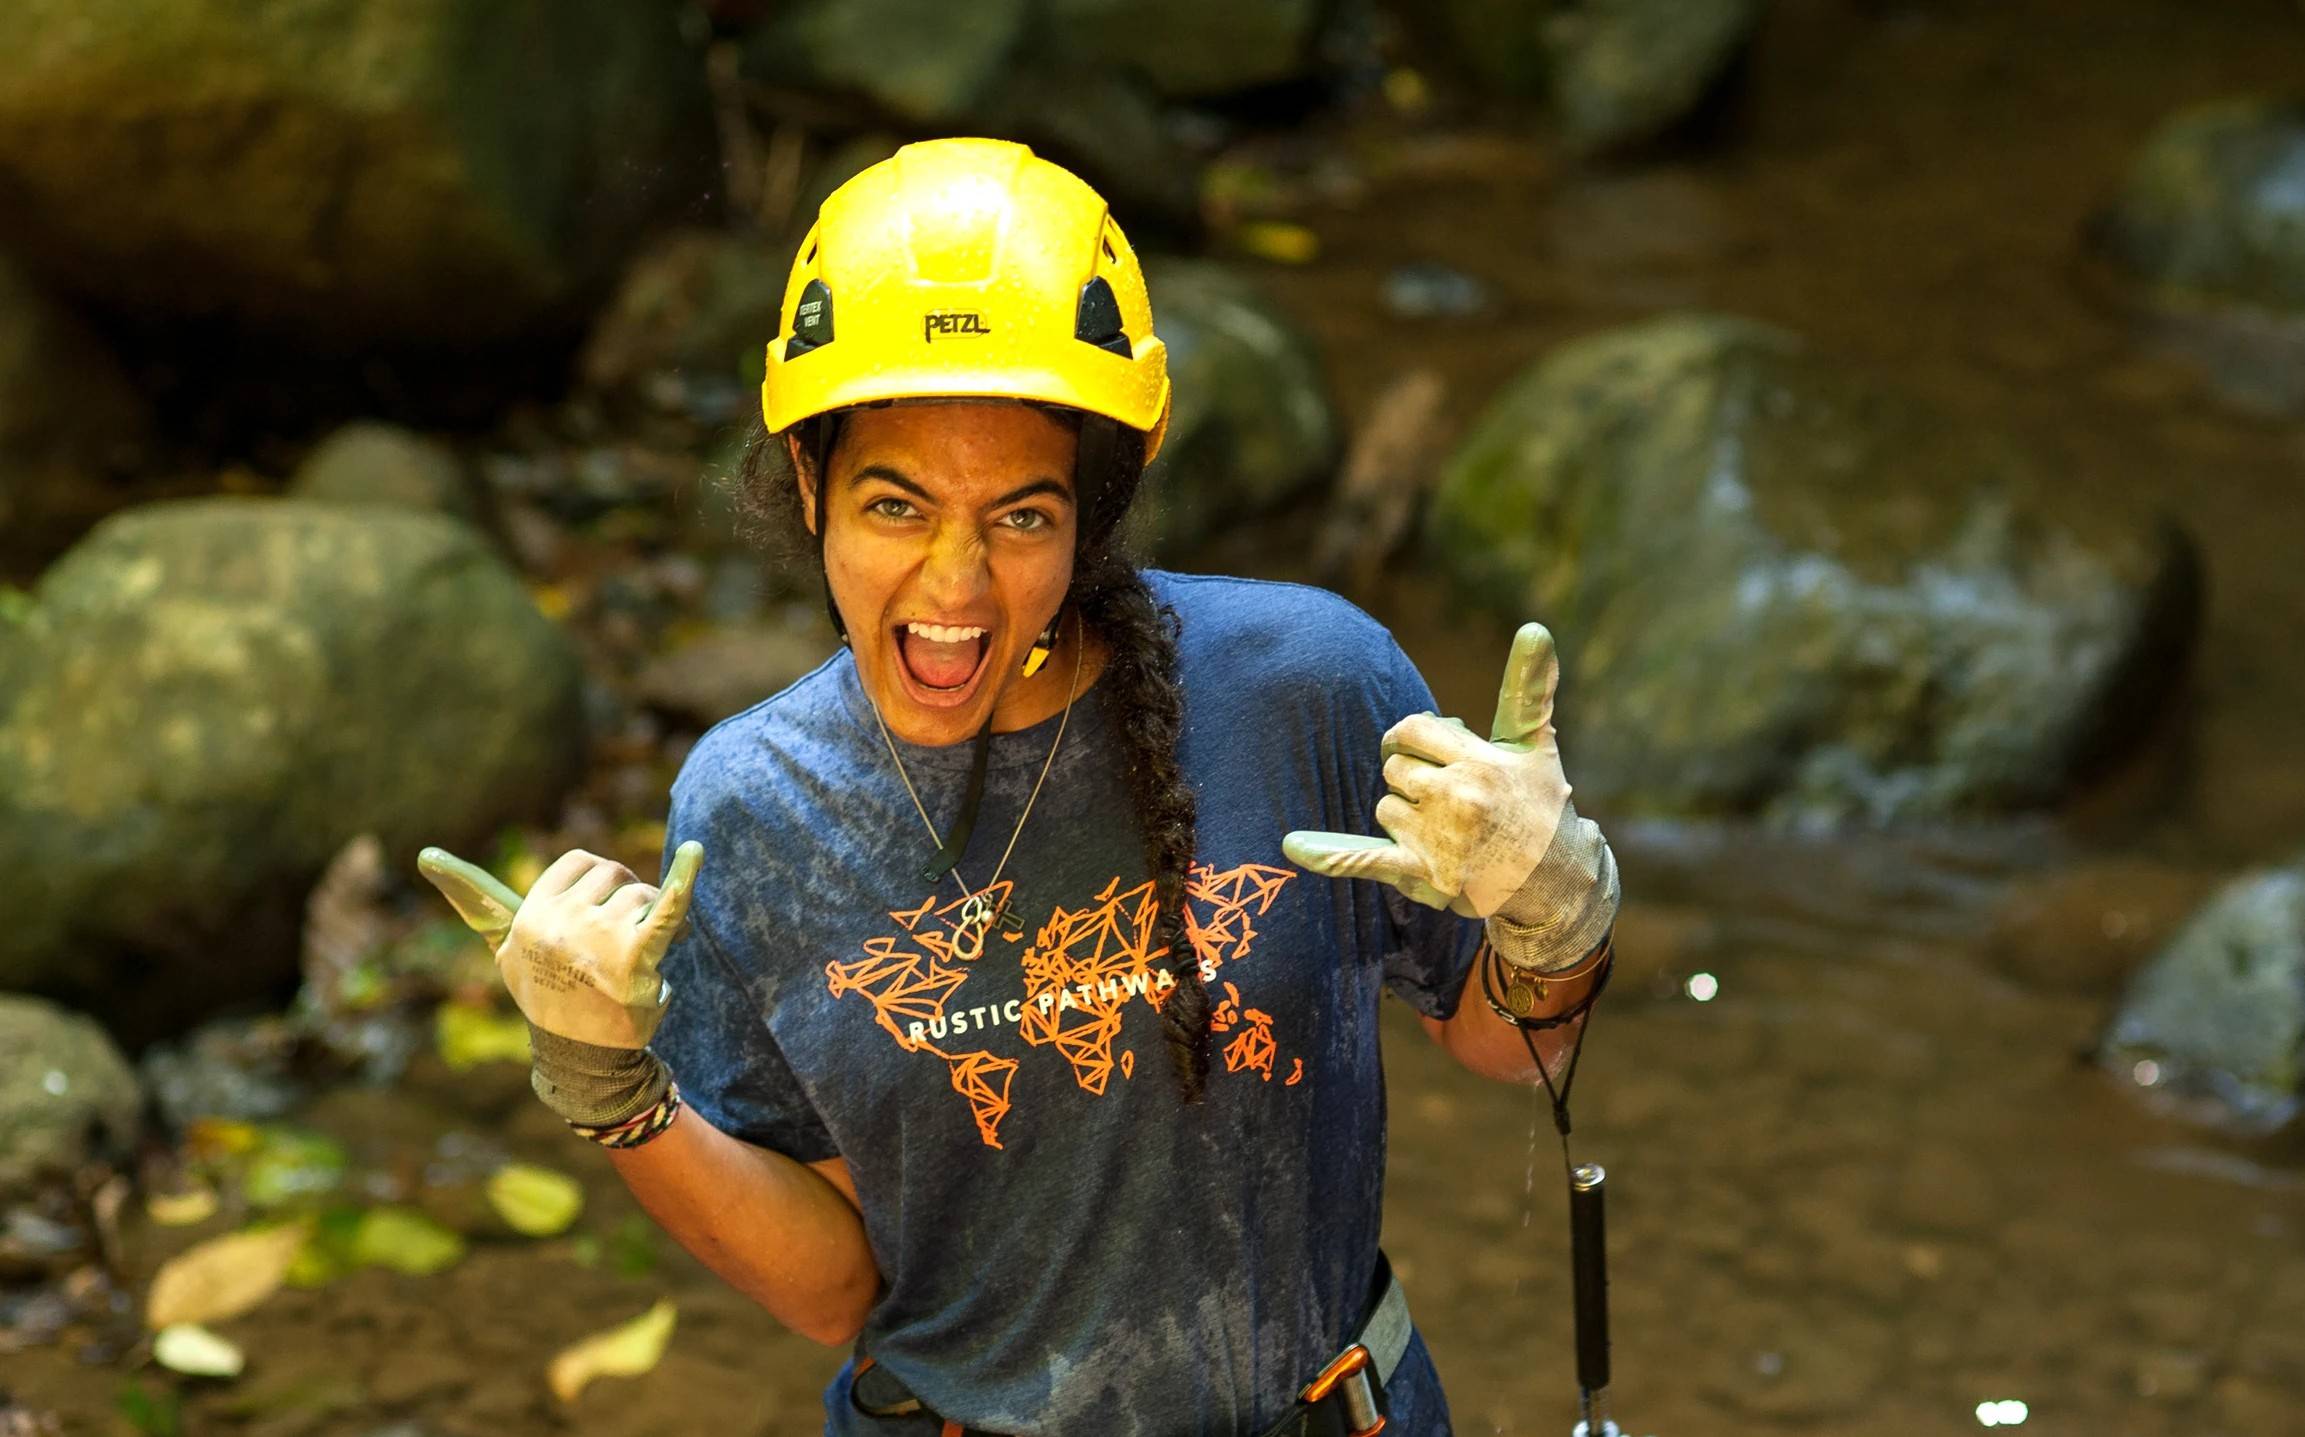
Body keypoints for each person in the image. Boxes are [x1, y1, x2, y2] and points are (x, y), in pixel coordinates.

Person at [419, 137, 1620, 1437]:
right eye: (895, 507)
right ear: (812, 482)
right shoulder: (758, 807)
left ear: (1092, 506)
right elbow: (833, 1293)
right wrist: (609, 1084)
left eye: (1021, 516)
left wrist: (1555, 912)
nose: (954, 582)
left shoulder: (1305, 684)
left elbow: (1509, 1045)